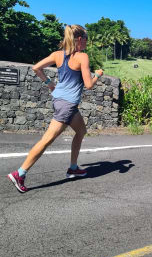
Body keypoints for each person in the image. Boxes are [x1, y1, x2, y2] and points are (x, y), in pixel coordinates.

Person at [7, 24, 103, 193]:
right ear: (80, 39)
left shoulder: (57, 55)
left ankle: (73, 167)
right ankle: (19, 173)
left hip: (61, 101)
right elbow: (88, 85)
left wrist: (49, 83)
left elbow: (36, 68)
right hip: (66, 105)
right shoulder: (82, 57)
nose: (87, 43)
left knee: (81, 132)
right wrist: (97, 75)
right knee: (47, 140)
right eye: (86, 40)